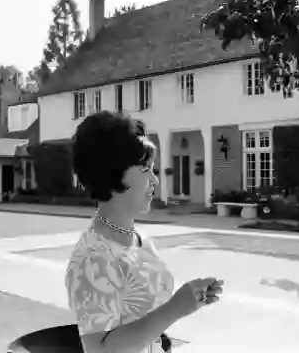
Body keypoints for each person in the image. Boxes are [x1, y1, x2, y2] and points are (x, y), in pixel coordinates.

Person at [65, 111, 224, 353]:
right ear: (112, 173)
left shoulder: (139, 240)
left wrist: (187, 303)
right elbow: (100, 350)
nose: (155, 180)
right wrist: (175, 308)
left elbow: (143, 320)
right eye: (144, 170)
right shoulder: (93, 258)